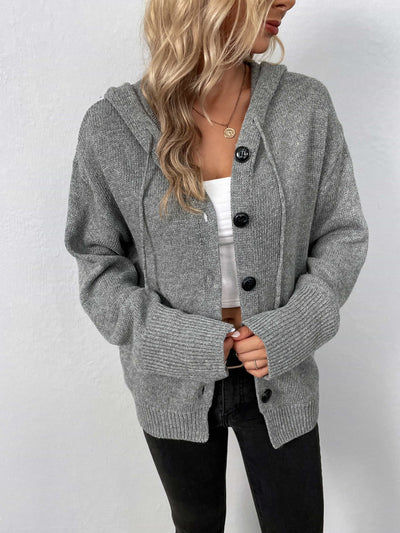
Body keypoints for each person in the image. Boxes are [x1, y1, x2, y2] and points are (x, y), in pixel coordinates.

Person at [64, 0, 369, 531]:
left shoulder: (304, 107)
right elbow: (97, 262)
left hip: (282, 371)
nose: (289, 1)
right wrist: (179, 340)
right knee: (196, 522)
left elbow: (343, 234)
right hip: (170, 381)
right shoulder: (113, 127)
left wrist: (295, 326)